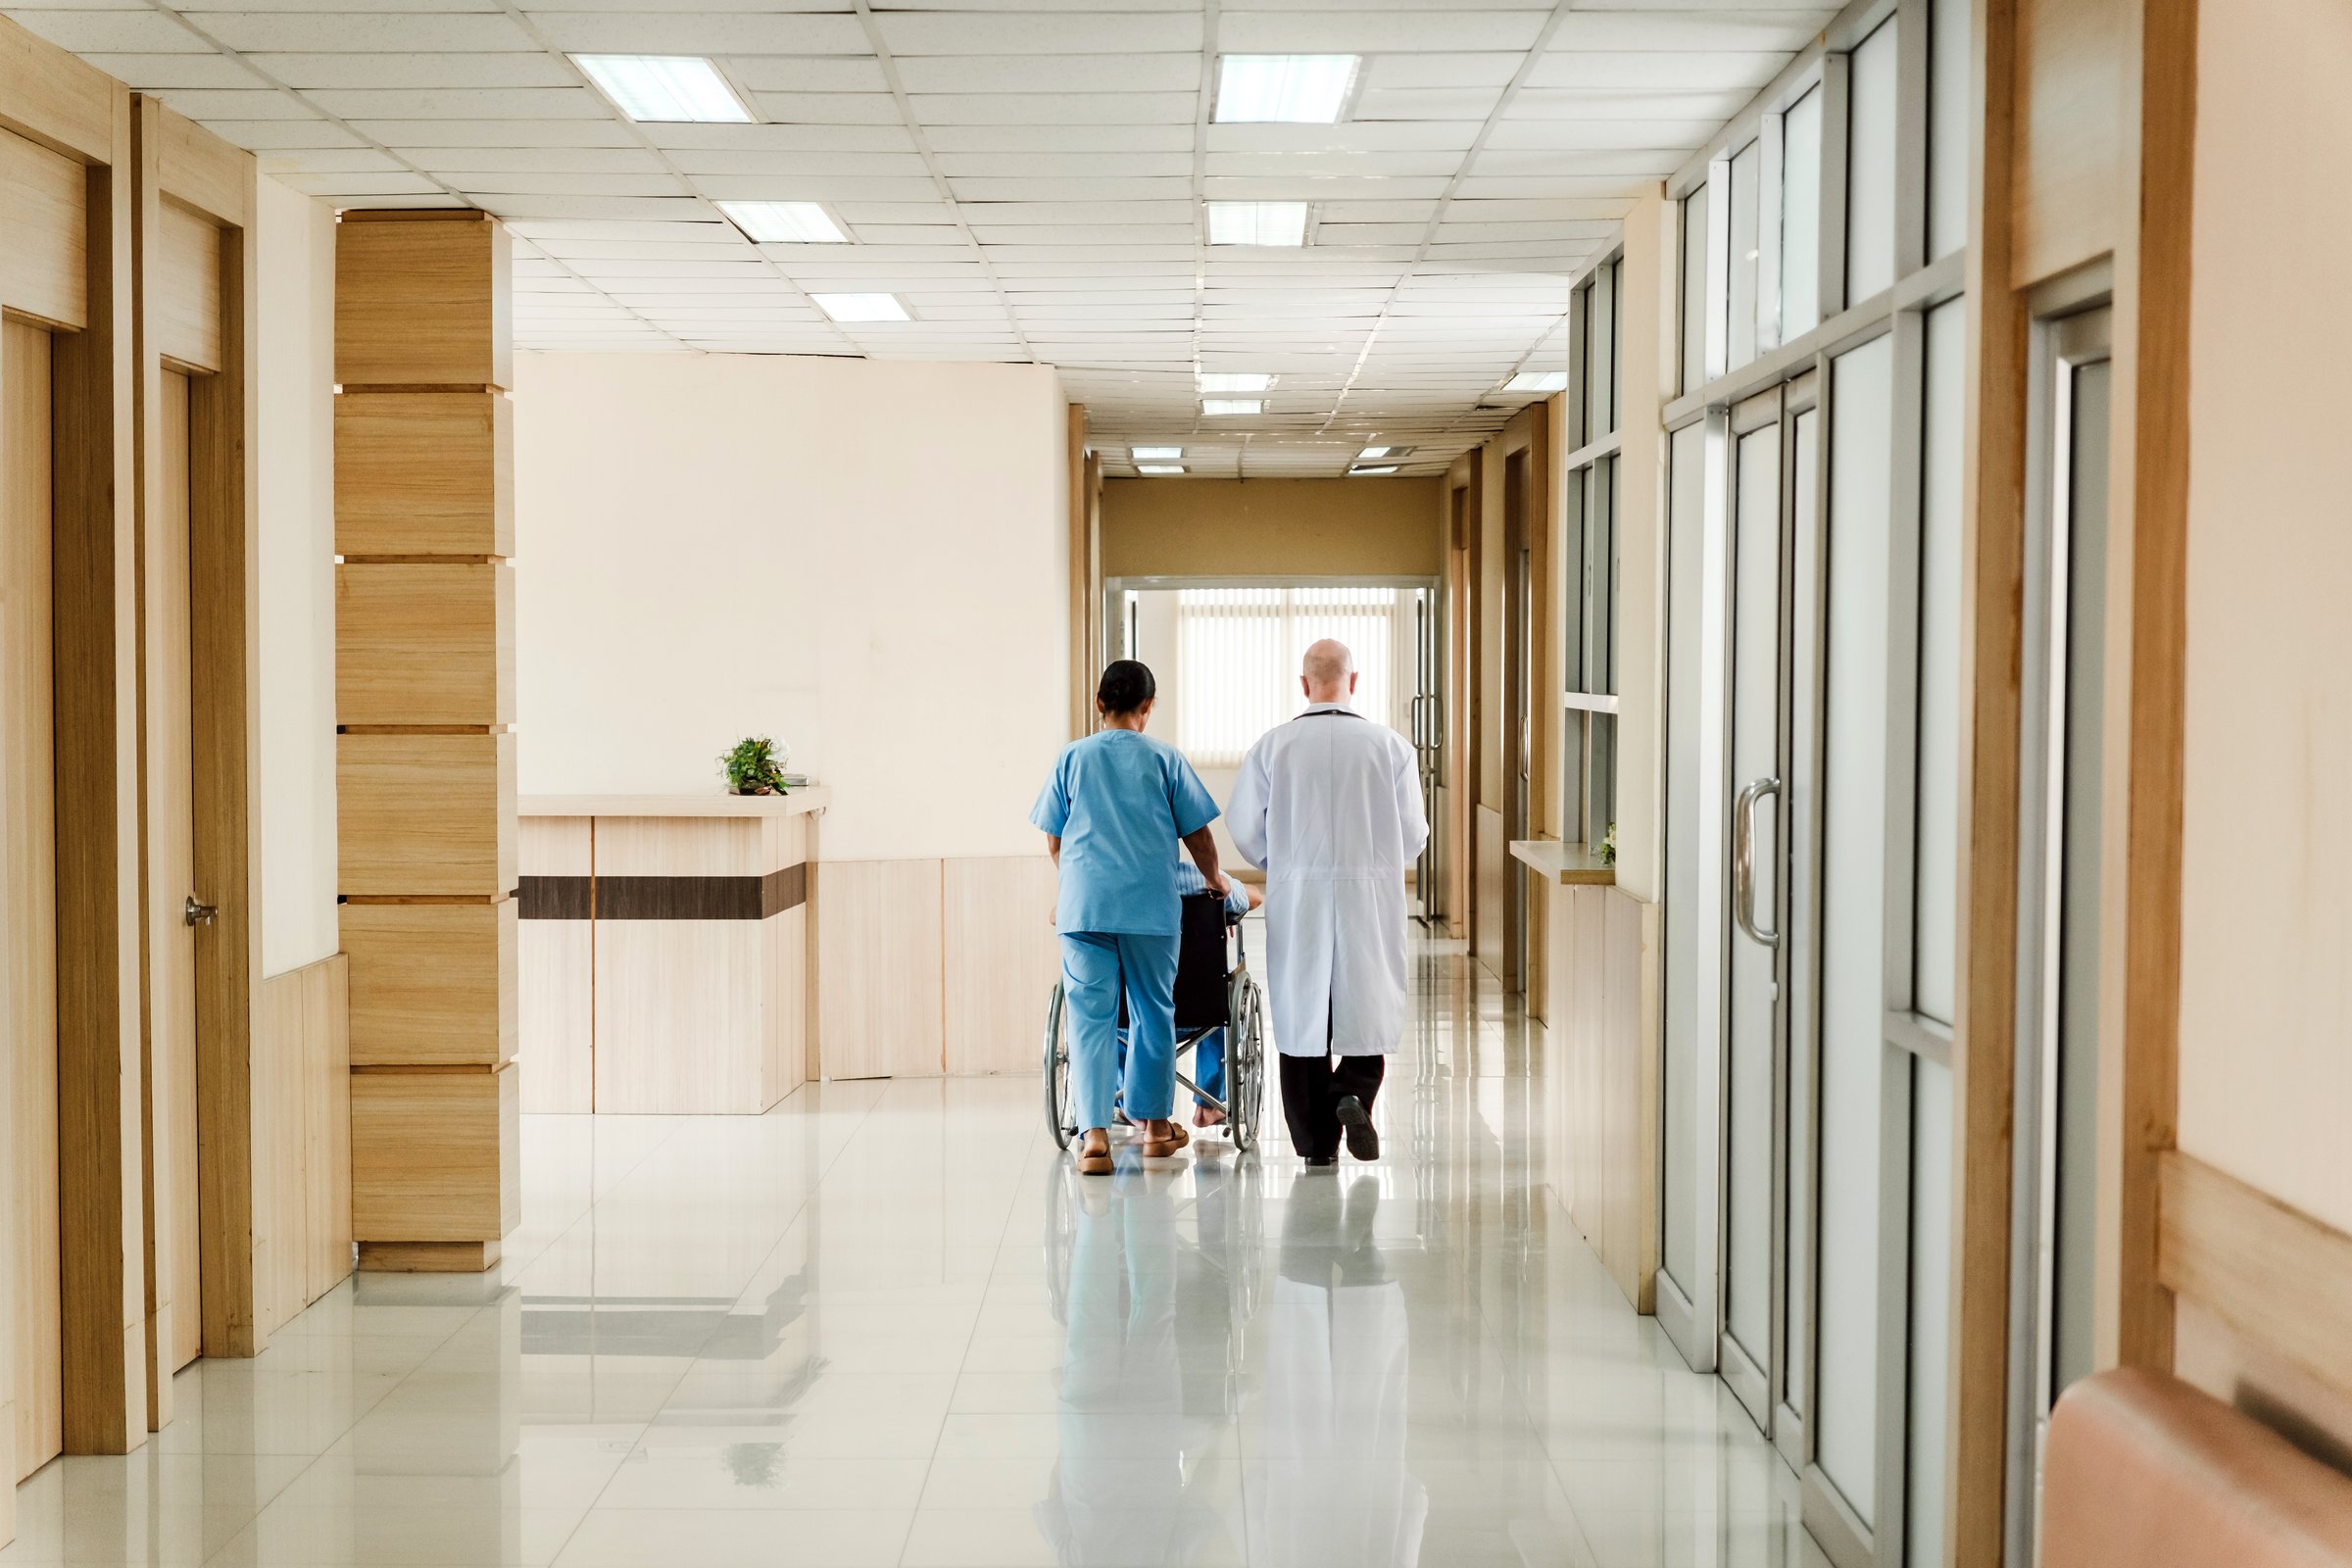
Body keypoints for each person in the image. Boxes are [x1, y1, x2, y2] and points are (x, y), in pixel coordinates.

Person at [1226, 639, 1428, 1166]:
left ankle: (1316, 1146)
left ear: (1304, 685)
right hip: (1369, 896)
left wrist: (1284, 861)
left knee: (1302, 1014)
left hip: (1300, 895)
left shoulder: (1274, 746)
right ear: (1353, 682)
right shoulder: (1391, 748)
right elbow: (1413, 836)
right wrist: (1378, 860)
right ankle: (1351, 1092)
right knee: (1367, 1003)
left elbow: (1244, 828)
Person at [1032, 660, 1229, 1175]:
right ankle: (1156, 1129)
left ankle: (1095, 1138)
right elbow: (1199, 835)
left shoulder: (1071, 758)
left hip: (1084, 909)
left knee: (1092, 1019)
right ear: (1148, 708)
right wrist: (1215, 879)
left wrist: (1076, 877)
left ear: (1100, 703)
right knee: (1152, 1012)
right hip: (1149, 910)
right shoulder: (1166, 759)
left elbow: (1053, 838)